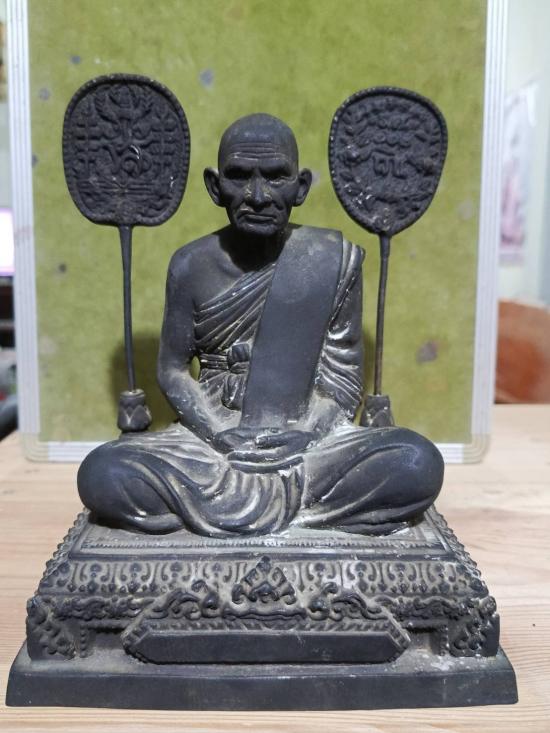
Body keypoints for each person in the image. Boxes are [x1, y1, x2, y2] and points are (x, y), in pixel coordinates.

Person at [77, 113, 444, 537]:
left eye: (275, 177)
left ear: (300, 187)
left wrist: (306, 435)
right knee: (102, 473)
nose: (257, 195)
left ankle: (240, 511)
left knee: (416, 462)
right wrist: (219, 434)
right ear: (215, 187)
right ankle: (299, 512)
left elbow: (342, 380)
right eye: (239, 177)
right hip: (213, 443)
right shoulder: (190, 265)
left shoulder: (332, 258)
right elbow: (173, 369)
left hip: (308, 444)